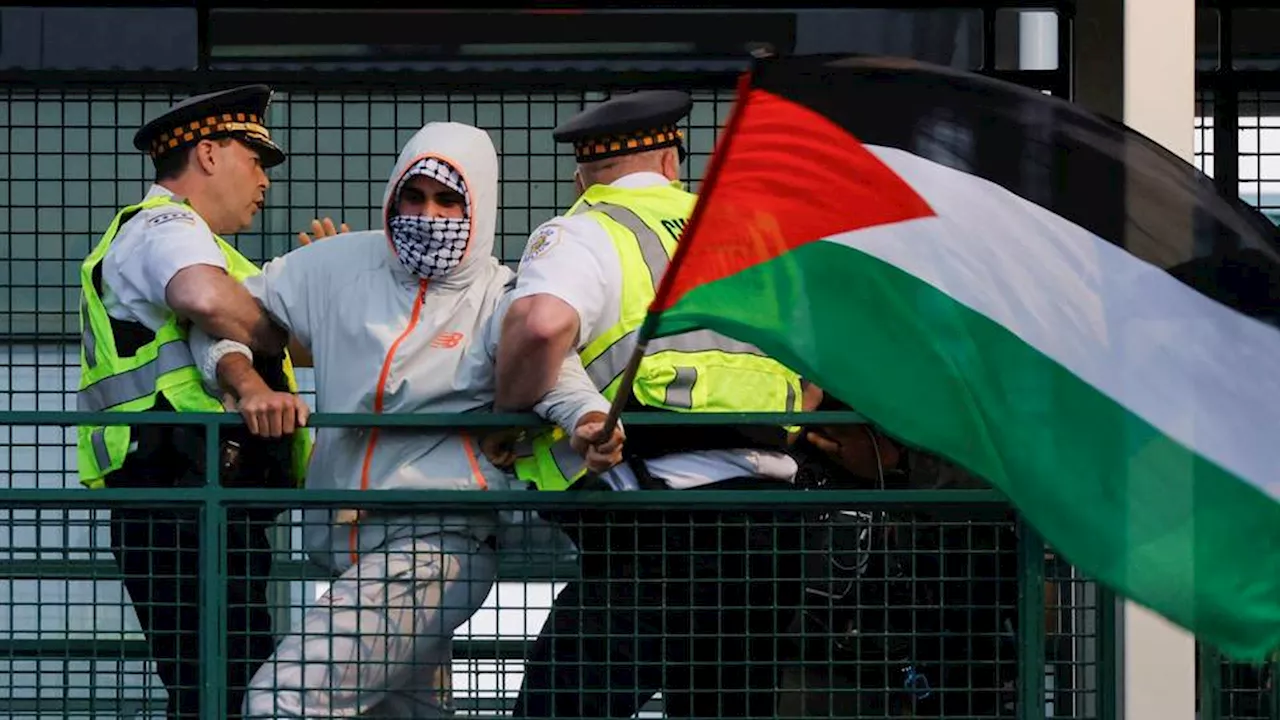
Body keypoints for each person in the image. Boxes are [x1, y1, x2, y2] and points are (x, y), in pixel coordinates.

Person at [188, 120, 624, 718]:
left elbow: (558, 373)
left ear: (482, 204)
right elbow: (221, 325)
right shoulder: (330, 266)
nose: (429, 213)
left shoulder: (501, 294)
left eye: (450, 199)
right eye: (413, 196)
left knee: (280, 700)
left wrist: (589, 418)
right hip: (341, 546)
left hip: (438, 545)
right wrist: (247, 382)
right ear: (392, 191)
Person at [491, 90, 810, 719]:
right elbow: (812, 376)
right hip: (773, 528)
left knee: (558, 707)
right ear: (672, 162)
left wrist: (510, 413)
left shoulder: (585, 229)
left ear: (583, 173)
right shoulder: (750, 237)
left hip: (661, 522)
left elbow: (538, 325)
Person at [74, 84, 312, 720]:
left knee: (223, 682)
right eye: (255, 159)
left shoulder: (208, 245)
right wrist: (273, 333)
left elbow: (289, 343)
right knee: (223, 685)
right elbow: (206, 301)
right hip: (180, 495)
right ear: (208, 154)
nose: (264, 180)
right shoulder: (165, 226)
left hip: (200, 496)